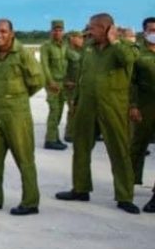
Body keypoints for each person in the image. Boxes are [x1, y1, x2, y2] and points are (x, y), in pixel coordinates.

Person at [55, 13, 139, 214]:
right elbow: (82, 75)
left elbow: (128, 60)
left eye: (93, 27)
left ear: (106, 28)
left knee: (119, 151)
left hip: (113, 107)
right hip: (87, 107)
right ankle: (80, 189)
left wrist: (115, 41)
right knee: (81, 148)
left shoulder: (125, 47)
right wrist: (75, 100)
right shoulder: (89, 48)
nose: (89, 31)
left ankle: (125, 196)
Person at [0, 19, 44, 216]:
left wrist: (19, 97)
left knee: (24, 157)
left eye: (3, 31)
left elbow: (38, 80)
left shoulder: (22, 53)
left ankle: (30, 202)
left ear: (12, 33)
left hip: (17, 113)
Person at [130, 17, 155, 213]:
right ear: (144, 32)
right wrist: (132, 105)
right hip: (145, 105)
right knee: (138, 145)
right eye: (151, 30)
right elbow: (131, 82)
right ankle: (128, 183)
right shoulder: (137, 53)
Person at [40, 19, 69, 150]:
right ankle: (50, 140)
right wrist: (50, 81)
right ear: (51, 31)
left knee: (60, 111)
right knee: (54, 110)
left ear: (63, 32)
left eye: (60, 30)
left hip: (62, 83)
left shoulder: (65, 46)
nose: (57, 32)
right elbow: (44, 65)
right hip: (52, 84)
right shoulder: (46, 46)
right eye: (55, 30)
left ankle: (55, 137)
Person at [63, 30, 85, 142]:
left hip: (81, 85)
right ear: (72, 38)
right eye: (79, 38)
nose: (82, 40)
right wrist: (65, 81)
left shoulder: (81, 51)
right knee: (73, 109)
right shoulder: (66, 51)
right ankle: (69, 134)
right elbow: (61, 67)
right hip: (71, 86)